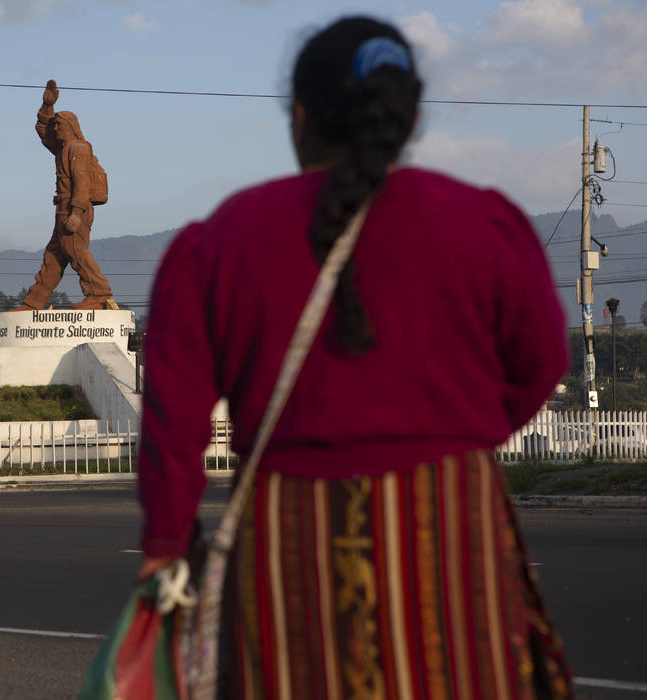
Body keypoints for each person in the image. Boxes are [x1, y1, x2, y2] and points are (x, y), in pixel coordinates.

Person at [135, 15, 573, 699]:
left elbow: (172, 421)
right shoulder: (484, 225)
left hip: (289, 548)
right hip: (451, 527)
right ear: (408, 114)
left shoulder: (218, 242)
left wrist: (167, 539)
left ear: (302, 116)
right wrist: (454, 432)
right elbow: (542, 361)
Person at [12, 79, 114, 312]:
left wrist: (76, 212)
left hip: (74, 208)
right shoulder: (62, 149)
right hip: (64, 208)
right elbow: (44, 133)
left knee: (76, 252)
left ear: (69, 126)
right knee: (54, 258)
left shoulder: (78, 148)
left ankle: (98, 294)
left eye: (58, 124)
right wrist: (47, 107)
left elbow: (82, 182)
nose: (55, 128)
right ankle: (34, 301)